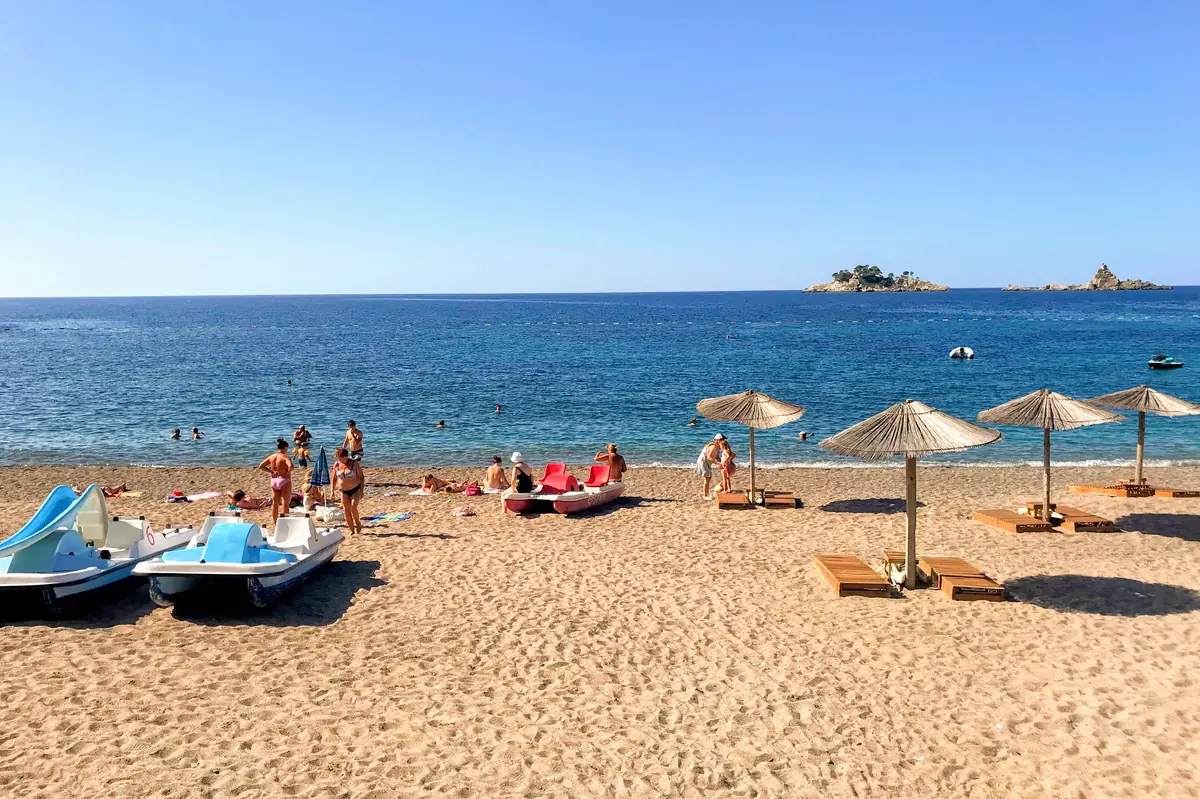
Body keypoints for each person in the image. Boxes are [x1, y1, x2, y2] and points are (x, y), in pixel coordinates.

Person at [257, 438, 293, 528]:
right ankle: (285, 523)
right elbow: (291, 466)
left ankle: (276, 523)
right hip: (284, 480)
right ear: (285, 448)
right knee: (285, 503)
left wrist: (271, 472)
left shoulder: (272, 457)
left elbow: (261, 466)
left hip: (274, 481)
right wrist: (287, 472)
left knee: (275, 503)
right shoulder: (285, 457)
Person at [333, 447, 365, 536]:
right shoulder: (336, 464)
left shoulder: (354, 463)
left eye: (342, 458)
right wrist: (332, 491)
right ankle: (352, 529)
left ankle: (358, 523)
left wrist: (362, 490)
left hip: (355, 488)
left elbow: (362, 477)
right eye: (339, 458)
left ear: (346, 456)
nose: (341, 460)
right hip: (343, 490)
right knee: (346, 510)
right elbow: (334, 478)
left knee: (353, 506)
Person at [695, 434, 724, 499]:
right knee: (707, 478)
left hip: (707, 463)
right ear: (716, 440)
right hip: (703, 462)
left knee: (708, 478)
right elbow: (709, 457)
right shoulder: (713, 446)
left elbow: (717, 457)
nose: (722, 441)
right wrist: (718, 463)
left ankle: (706, 494)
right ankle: (705, 495)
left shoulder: (718, 447)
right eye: (721, 440)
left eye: (723, 440)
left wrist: (723, 462)